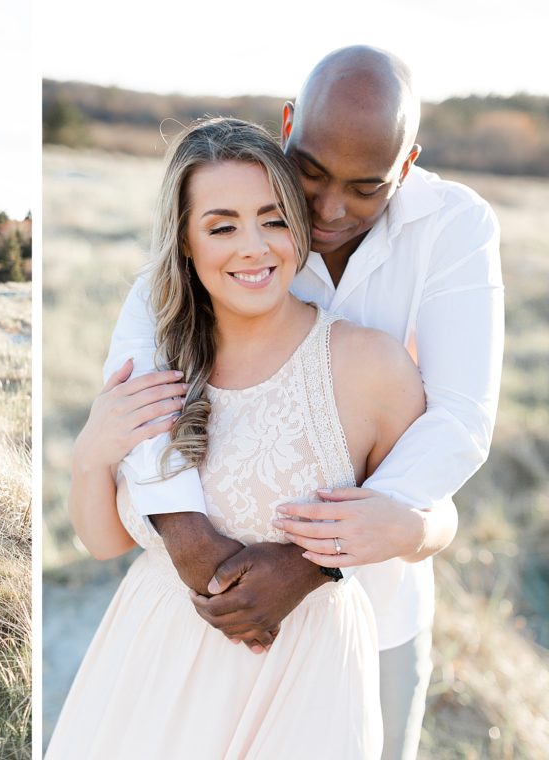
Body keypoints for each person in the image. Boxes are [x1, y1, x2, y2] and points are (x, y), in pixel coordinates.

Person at [88, 46, 503, 760]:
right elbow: (142, 374)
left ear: (405, 166)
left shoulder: (455, 228)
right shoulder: (249, 211)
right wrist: (191, 543)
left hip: (376, 610)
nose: (330, 209)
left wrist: (313, 562)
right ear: (287, 126)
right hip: (210, 608)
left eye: (367, 187)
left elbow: (460, 421)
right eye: (309, 172)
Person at [48, 116, 425, 759]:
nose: (253, 246)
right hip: (155, 656)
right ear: (187, 243)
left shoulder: (372, 366)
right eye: (222, 226)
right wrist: (89, 456)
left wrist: (318, 563)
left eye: (274, 219)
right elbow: (105, 540)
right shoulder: (161, 357)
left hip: (304, 675)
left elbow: (418, 514)